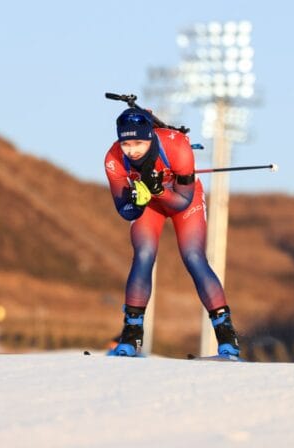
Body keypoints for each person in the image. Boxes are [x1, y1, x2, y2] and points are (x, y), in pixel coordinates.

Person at [103, 107, 240, 357]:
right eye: (126, 144)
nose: (132, 150)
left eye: (138, 143)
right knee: (143, 255)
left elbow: (182, 201)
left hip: (181, 199)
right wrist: (137, 201)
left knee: (194, 258)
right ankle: (131, 336)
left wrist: (159, 191)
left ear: (150, 137)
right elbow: (125, 210)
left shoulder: (176, 147)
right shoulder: (113, 159)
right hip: (152, 203)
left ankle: (226, 337)